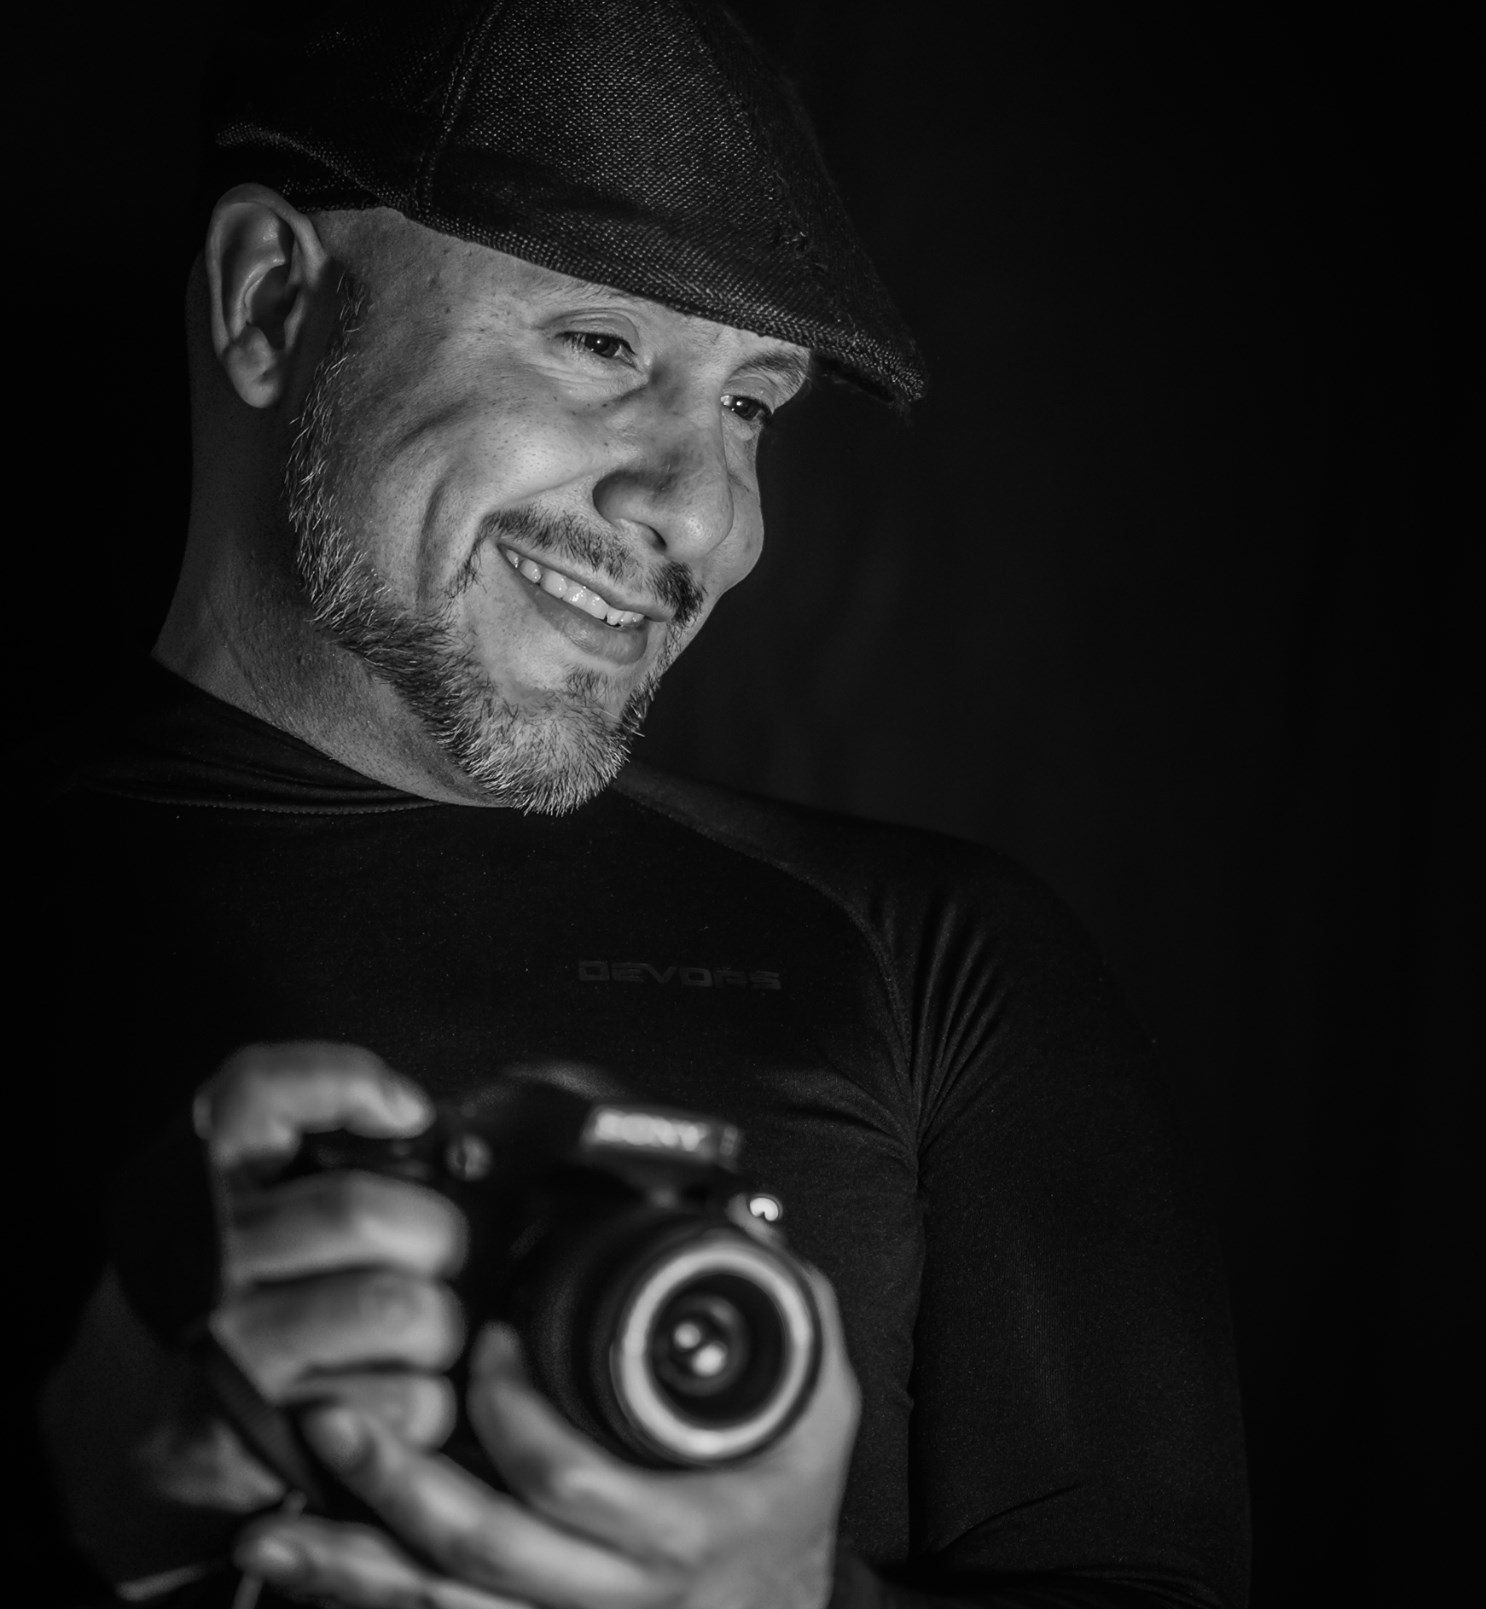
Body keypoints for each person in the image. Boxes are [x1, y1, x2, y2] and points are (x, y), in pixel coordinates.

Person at [20, 3, 1249, 1605]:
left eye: (748, 403)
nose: (703, 515)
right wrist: (95, 1510)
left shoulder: (930, 965)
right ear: (270, 305)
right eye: (602, 346)